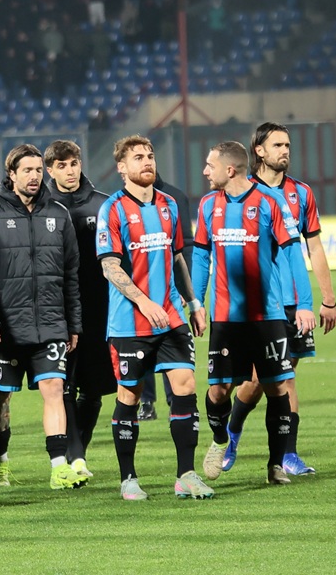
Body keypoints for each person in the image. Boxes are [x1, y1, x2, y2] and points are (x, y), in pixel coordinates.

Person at [96, 136, 212, 500]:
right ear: (121, 167)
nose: (147, 162)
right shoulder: (112, 209)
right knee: (129, 395)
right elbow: (109, 266)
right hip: (130, 322)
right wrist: (143, 302)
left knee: (186, 387)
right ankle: (128, 478)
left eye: (150, 156)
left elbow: (177, 257)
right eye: (137, 157)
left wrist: (193, 301)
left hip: (172, 315)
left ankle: (186, 475)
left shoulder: (169, 206)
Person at [222, 122, 336, 477]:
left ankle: (288, 455)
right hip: (259, 304)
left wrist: (328, 299)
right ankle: (232, 432)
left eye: (287, 145)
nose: (285, 151)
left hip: (296, 303)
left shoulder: (301, 194)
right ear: (259, 150)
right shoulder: (241, 192)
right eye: (277, 145)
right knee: (257, 381)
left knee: (286, 377)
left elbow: (314, 247)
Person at [0, 144, 86, 492]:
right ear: (12, 175)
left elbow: (71, 273)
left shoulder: (59, 215)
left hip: (50, 323)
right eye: (27, 170)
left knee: (54, 388)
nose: (34, 176)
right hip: (4, 327)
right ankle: (1, 462)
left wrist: (73, 323)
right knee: (2, 397)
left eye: (38, 170)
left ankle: (58, 466)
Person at [190, 142, 310, 486]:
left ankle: (275, 464)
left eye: (209, 165)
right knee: (218, 390)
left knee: (276, 388)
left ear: (229, 170)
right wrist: (196, 302)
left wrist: (303, 303)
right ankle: (219, 440)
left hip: (267, 316)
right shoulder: (208, 205)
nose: (205, 172)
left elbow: (291, 252)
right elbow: (200, 257)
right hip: (226, 318)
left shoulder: (269, 203)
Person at [43, 140, 114, 479]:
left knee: (95, 388)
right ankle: (75, 456)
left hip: (99, 309)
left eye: (74, 163)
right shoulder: (41, 209)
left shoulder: (103, 205)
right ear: (50, 170)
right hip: (56, 309)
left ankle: (78, 453)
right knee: (62, 384)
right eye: (62, 165)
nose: (70, 171)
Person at [138, 170, 195, 420]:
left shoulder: (174, 197)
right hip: (140, 293)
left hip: (170, 293)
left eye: (148, 156)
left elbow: (185, 247)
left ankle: (176, 401)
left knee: (171, 348)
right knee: (142, 351)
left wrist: (185, 289)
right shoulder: (121, 203)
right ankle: (146, 403)